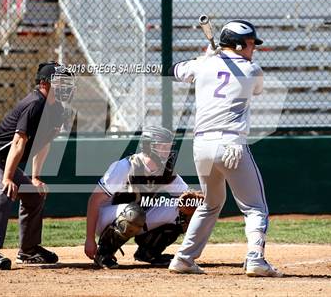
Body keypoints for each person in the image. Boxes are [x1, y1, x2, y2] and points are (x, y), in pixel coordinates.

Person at [167, 20, 283, 277]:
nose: (254, 48)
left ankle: (184, 258)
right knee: (255, 207)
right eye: (251, 43)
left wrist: (205, 59)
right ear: (239, 44)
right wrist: (213, 58)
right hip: (231, 144)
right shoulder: (252, 70)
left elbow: (173, 70)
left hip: (202, 146)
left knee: (211, 203)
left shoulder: (203, 65)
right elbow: (257, 87)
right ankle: (255, 258)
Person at [0, 61, 75, 270]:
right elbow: (19, 142)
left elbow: (42, 143)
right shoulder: (35, 103)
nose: (67, 86)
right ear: (45, 83)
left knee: (34, 194)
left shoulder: (56, 109)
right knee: (4, 191)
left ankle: (29, 250)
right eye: (61, 81)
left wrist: (35, 177)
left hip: (5, 161)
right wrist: (7, 178)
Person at [84, 126, 193, 269]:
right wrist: (90, 239)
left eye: (169, 146)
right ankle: (104, 253)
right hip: (105, 219)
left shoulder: (165, 170)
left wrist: (202, 203)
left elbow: (187, 196)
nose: (168, 151)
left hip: (137, 215)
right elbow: (94, 200)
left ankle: (148, 252)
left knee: (184, 209)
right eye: (162, 146)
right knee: (134, 212)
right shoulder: (126, 166)